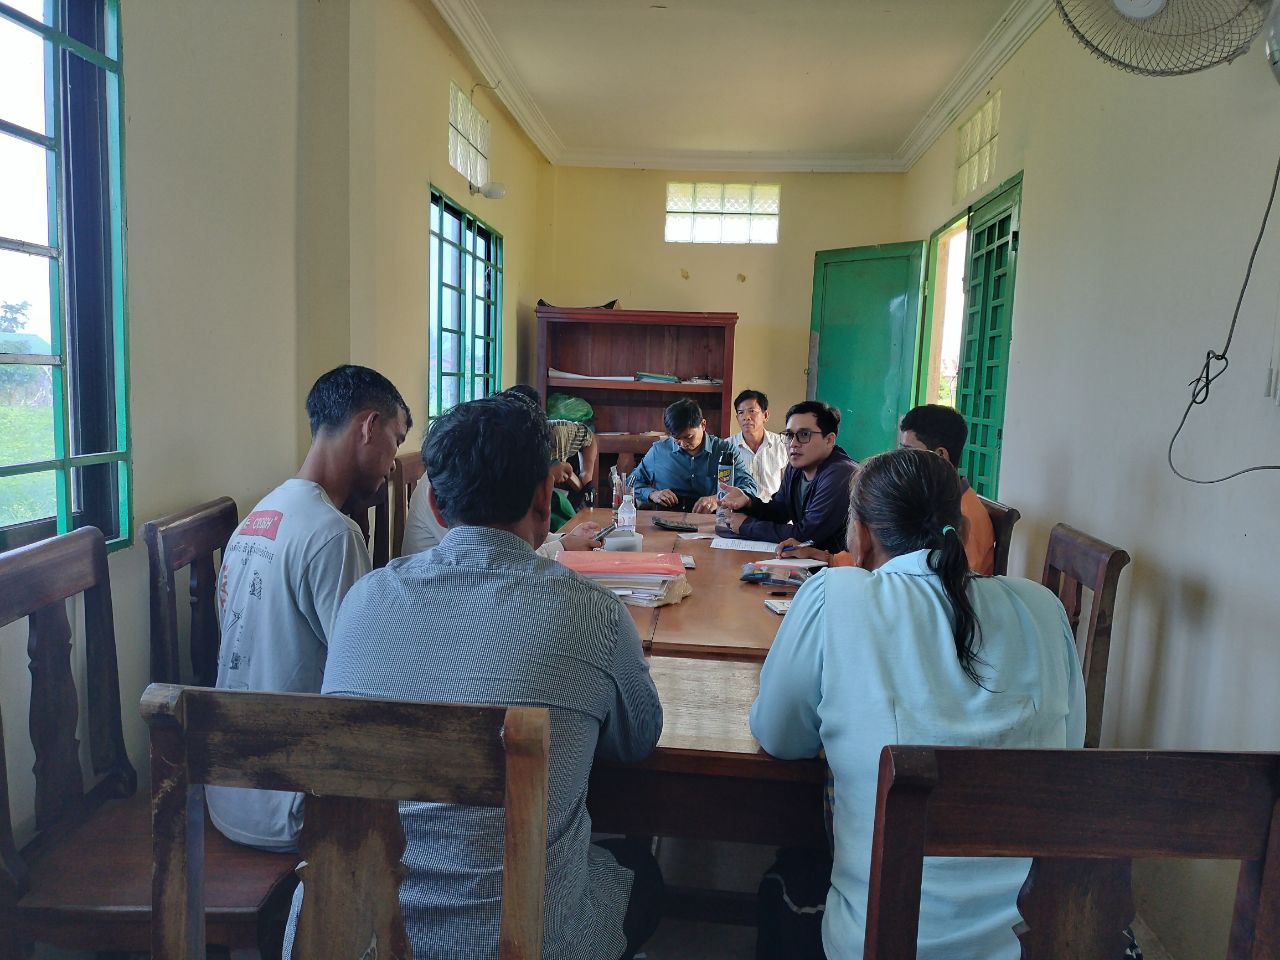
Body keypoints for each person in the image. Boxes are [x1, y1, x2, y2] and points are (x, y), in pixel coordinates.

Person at [286, 392, 664, 960]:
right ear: (545, 495)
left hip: (350, 936)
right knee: (642, 874)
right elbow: (638, 739)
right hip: (519, 943)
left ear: (436, 506)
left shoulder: (364, 600)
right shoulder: (594, 614)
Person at [749, 448, 1084, 960]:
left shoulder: (835, 594)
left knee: (793, 867)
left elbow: (780, 736)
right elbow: (1069, 752)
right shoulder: (1041, 607)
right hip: (1030, 942)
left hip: (879, 941)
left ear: (860, 534)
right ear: (962, 529)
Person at [207, 364, 410, 852]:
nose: (393, 464)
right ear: (369, 426)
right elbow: (368, 683)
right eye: (397, 441)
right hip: (292, 806)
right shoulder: (333, 534)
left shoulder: (258, 517)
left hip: (226, 789)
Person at [717, 400, 856, 552]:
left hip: (837, 564)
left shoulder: (840, 475)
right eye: (790, 435)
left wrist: (746, 526)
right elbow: (780, 512)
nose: (793, 443)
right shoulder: (795, 468)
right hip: (807, 560)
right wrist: (749, 502)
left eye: (804, 434)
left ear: (829, 440)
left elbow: (805, 535)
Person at [899, 403, 996, 576]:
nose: (901, 460)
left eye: (909, 452)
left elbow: (958, 584)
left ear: (940, 455)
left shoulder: (966, 516)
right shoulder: (934, 499)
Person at [631, 398, 756, 512]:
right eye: (676, 439)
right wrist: (652, 494)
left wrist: (717, 499)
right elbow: (631, 483)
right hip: (666, 520)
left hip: (711, 520)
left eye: (688, 437)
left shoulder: (725, 450)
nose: (682, 444)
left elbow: (750, 486)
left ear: (703, 425)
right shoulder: (659, 451)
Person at [728, 388, 788, 501]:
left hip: (773, 509)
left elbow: (790, 486)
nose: (746, 417)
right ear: (737, 418)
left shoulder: (783, 444)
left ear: (765, 415)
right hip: (739, 509)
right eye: (741, 412)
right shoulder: (727, 447)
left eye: (752, 411)